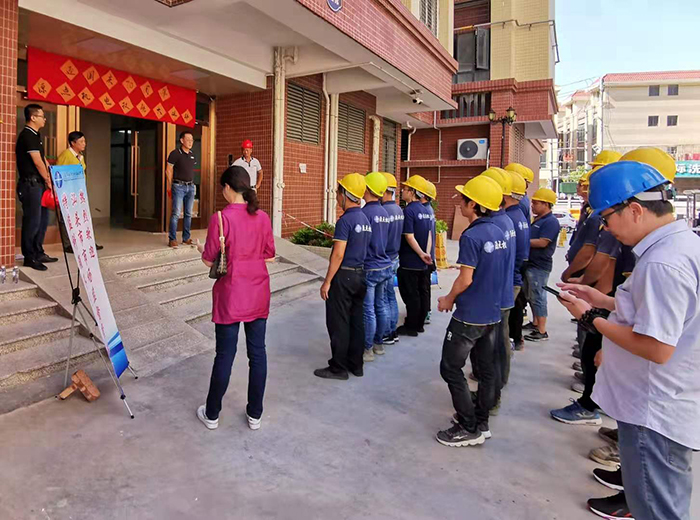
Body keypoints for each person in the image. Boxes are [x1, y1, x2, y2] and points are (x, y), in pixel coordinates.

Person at [558, 160, 700, 520]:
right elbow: (653, 311)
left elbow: (656, 347)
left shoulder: (663, 263)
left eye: (607, 218)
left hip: (654, 411)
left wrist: (590, 318)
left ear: (635, 210)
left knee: (656, 510)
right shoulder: (680, 247)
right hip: (666, 401)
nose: (605, 227)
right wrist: (602, 301)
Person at [196, 166, 275, 432]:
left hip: (231, 295)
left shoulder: (220, 218)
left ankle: (212, 414)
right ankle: (255, 414)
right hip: (258, 293)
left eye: (223, 187)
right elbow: (269, 255)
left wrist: (201, 248)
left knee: (225, 355)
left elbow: (209, 260)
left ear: (228, 187)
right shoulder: (262, 217)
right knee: (258, 354)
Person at [435, 176, 508, 447]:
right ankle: (482, 422)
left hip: (469, 317)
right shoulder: (499, 232)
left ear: (474, 205)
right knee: (487, 370)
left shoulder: (472, 235)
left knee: (450, 367)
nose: (461, 203)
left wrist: (448, 299)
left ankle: (468, 427)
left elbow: (466, 279)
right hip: (492, 313)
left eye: (464, 199)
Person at [314, 173, 371, 380]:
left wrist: (327, 282)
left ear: (346, 195)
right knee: (356, 321)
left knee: (339, 323)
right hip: (360, 275)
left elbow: (338, 254)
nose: (337, 197)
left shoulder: (345, 221)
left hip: (344, 276)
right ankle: (356, 364)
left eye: (339, 192)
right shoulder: (365, 218)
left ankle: (338, 368)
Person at [475, 168, 515, 413]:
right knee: (498, 347)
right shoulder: (505, 220)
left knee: (492, 352)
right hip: (502, 293)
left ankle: (491, 398)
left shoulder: (493, 225)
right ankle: (493, 391)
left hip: (494, 298)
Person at [16, 104, 56, 271]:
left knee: (42, 220)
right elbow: (37, 162)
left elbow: (43, 159)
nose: (44, 119)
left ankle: (38, 252)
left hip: (39, 185)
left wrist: (51, 176)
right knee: (32, 221)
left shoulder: (36, 136)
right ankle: (29, 257)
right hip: (30, 185)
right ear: (33, 117)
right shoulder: (27, 135)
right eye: (41, 116)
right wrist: (48, 180)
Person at [361, 172, 393, 362]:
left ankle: (367, 349)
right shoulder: (384, 212)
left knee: (368, 310)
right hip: (384, 264)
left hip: (370, 266)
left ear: (368, 189)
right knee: (380, 305)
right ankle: (379, 344)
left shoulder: (365, 214)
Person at [396, 175, 433, 337]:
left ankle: (411, 326)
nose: (402, 191)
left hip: (410, 261)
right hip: (422, 262)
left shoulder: (409, 211)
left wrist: (420, 253)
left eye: (405, 189)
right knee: (420, 292)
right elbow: (430, 234)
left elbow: (409, 236)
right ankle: (419, 324)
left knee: (411, 295)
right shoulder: (426, 210)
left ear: (412, 192)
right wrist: (427, 253)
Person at [56, 131, 104, 253]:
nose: (84, 144)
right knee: (67, 219)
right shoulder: (66, 155)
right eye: (81, 141)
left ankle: (87, 242)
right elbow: (58, 174)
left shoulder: (80, 156)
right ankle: (68, 245)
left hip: (79, 192)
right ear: (73, 143)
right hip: (68, 192)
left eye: (84, 141)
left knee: (82, 217)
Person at [523, 188, 560, 342]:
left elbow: (543, 242)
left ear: (546, 204)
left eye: (536, 203)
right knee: (531, 296)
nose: (532, 206)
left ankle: (542, 331)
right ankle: (535, 323)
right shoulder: (538, 219)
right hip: (531, 263)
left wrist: (522, 242)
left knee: (538, 296)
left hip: (539, 266)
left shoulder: (551, 222)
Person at [505, 171, 530, 352]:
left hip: (512, 272)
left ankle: (511, 341)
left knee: (508, 312)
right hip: (519, 268)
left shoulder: (508, 218)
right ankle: (516, 338)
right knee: (517, 306)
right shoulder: (520, 212)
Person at [380, 172, 404, 345]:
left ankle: (386, 333)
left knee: (382, 298)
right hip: (395, 256)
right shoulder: (398, 209)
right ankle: (392, 331)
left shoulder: (384, 211)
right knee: (390, 296)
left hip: (385, 259)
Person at [167, 131, 197, 248]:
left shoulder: (192, 155)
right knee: (176, 213)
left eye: (192, 140)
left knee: (188, 213)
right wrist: (170, 185)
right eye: (188, 139)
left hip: (191, 187)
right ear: (181, 140)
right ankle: (172, 239)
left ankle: (186, 238)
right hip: (178, 186)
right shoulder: (175, 153)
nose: (190, 142)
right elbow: (168, 170)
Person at [421, 180, 438, 326]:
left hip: (426, 256)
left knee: (423, 287)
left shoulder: (424, 211)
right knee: (425, 287)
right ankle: (426, 311)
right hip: (429, 255)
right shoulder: (429, 210)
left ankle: (425, 311)